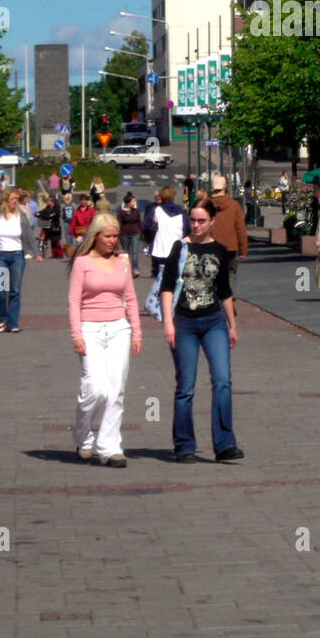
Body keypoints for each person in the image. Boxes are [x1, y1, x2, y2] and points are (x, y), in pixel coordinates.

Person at [160, 200, 242, 463]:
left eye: (201, 221)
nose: (196, 225)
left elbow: (225, 291)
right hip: (184, 323)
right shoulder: (180, 247)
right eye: (192, 220)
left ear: (211, 221)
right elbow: (167, 286)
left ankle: (225, 444)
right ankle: (184, 446)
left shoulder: (218, 250)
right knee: (185, 387)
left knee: (222, 381)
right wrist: (168, 323)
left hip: (213, 321)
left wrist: (232, 324)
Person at [68, 214, 142, 467]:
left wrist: (137, 332)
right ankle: (83, 435)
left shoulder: (123, 261)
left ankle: (110, 447)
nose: (112, 241)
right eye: (107, 236)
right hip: (90, 329)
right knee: (95, 387)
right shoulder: (82, 262)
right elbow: (74, 301)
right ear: (96, 236)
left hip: (119, 329)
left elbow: (130, 298)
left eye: (115, 236)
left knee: (116, 389)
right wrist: (76, 334)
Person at [0, 188, 36, 333]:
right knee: (1, 289)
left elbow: (29, 235)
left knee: (14, 291)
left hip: (17, 256)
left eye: (16, 199)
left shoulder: (21, 215)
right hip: (0, 256)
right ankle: (2, 319)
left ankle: (13, 323)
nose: (15, 201)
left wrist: (36, 252)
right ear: (5, 200)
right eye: (13, 199)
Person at [143, 186, 191, 312]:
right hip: (176, 250)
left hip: (159, 249)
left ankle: (160, 304)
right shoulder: (181, 213)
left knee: (160, 279)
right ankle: (174, 303)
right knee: (175, 277)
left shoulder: (156, 210)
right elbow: (187, 230)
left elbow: (145, 225)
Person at [209, 175, 248, 295]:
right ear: (225, 186)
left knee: (211, 273)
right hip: (230, 245)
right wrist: (243, 249)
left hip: (211, 245)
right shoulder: (234, 205)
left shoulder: (206, 205)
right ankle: (230, 298)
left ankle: (214, 298)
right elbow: (240, 228)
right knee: (230, 272)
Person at [118, 192, 143, 276]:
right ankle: (125, 269)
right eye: (133, 202)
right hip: (124, 234)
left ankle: (135, 269)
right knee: (126, 253)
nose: (134, 203)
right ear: (128, 203)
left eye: (135, 202)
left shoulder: (136, 211)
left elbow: (139, 222)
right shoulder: (121, 212)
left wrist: (141, 233)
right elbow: (119, 224)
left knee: (135, 252)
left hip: (135, 233)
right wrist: (119, 235)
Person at [38, 194, 63, 259]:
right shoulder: (48, 207)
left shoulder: (56, 208)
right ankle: (54, 254)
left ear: (52, 202)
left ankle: (60, 254)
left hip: (55, 226)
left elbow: (56, 214)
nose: (47, 202)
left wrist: (50, 216)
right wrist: (38, 214)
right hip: (49, 226)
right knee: (52, 241)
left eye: (49, 201)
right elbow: (43, 212)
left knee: (56, 241)